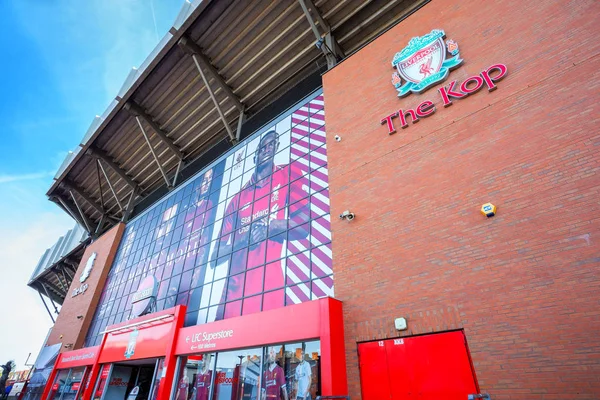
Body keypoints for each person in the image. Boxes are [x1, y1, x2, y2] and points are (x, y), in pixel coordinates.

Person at [213, 130, 310, 319]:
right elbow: (215, 256)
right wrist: (243, 240)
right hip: (232, 302)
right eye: (262, 147)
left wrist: (272, 226)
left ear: (277, 148)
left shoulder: (287, 174)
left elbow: (305, 225)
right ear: (255, 155)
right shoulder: (237, 199)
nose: (266, 150)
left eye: (271, 145)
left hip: (269, 295)